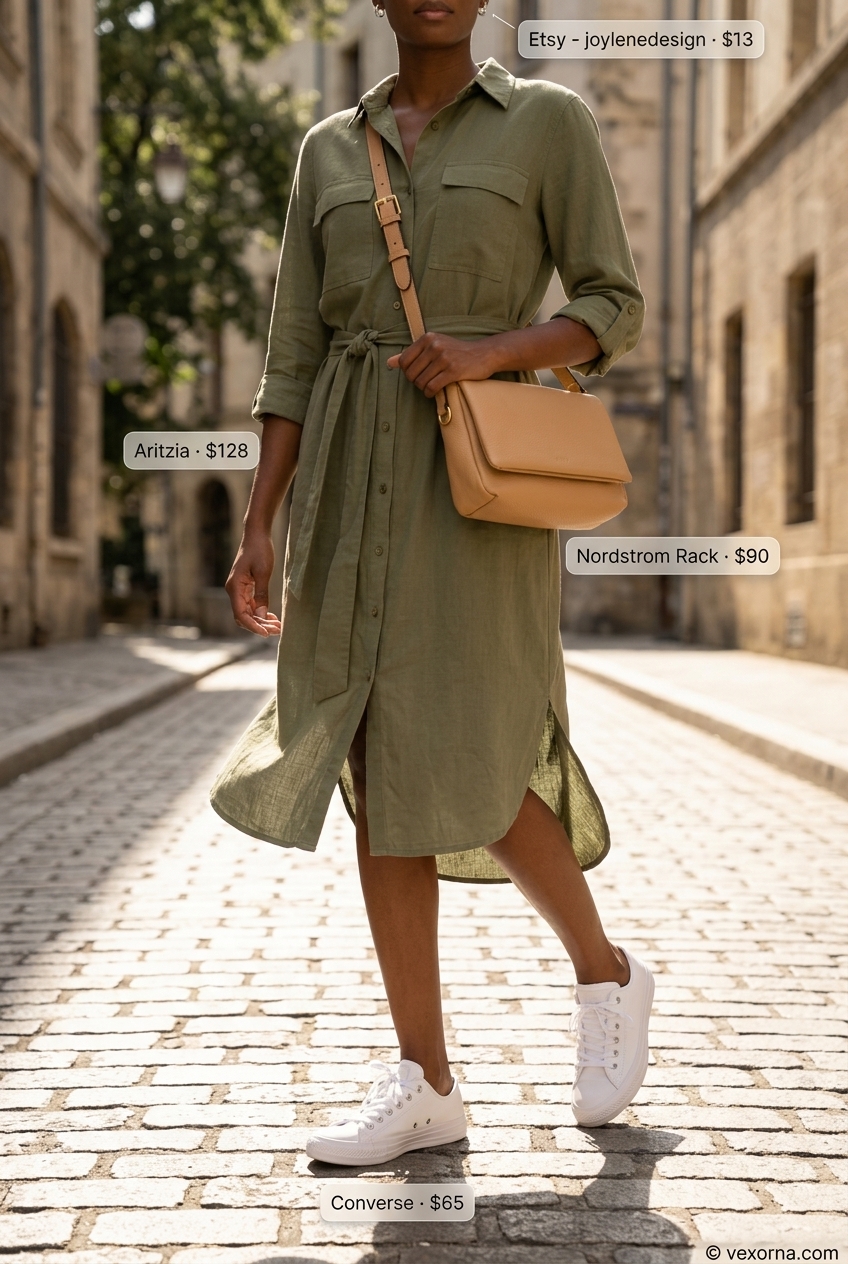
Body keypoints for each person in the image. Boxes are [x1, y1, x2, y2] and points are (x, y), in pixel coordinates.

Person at [212, 0, 652, 1165]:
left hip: (476, 473)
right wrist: (260, 523)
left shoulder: (547, 121)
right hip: (348, 472)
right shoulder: (325, 152)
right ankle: (424, 1079)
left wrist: (490, 350)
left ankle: (604, 975)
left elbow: (611, 303)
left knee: (477, 743)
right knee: (371, 746)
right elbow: (291, 356)